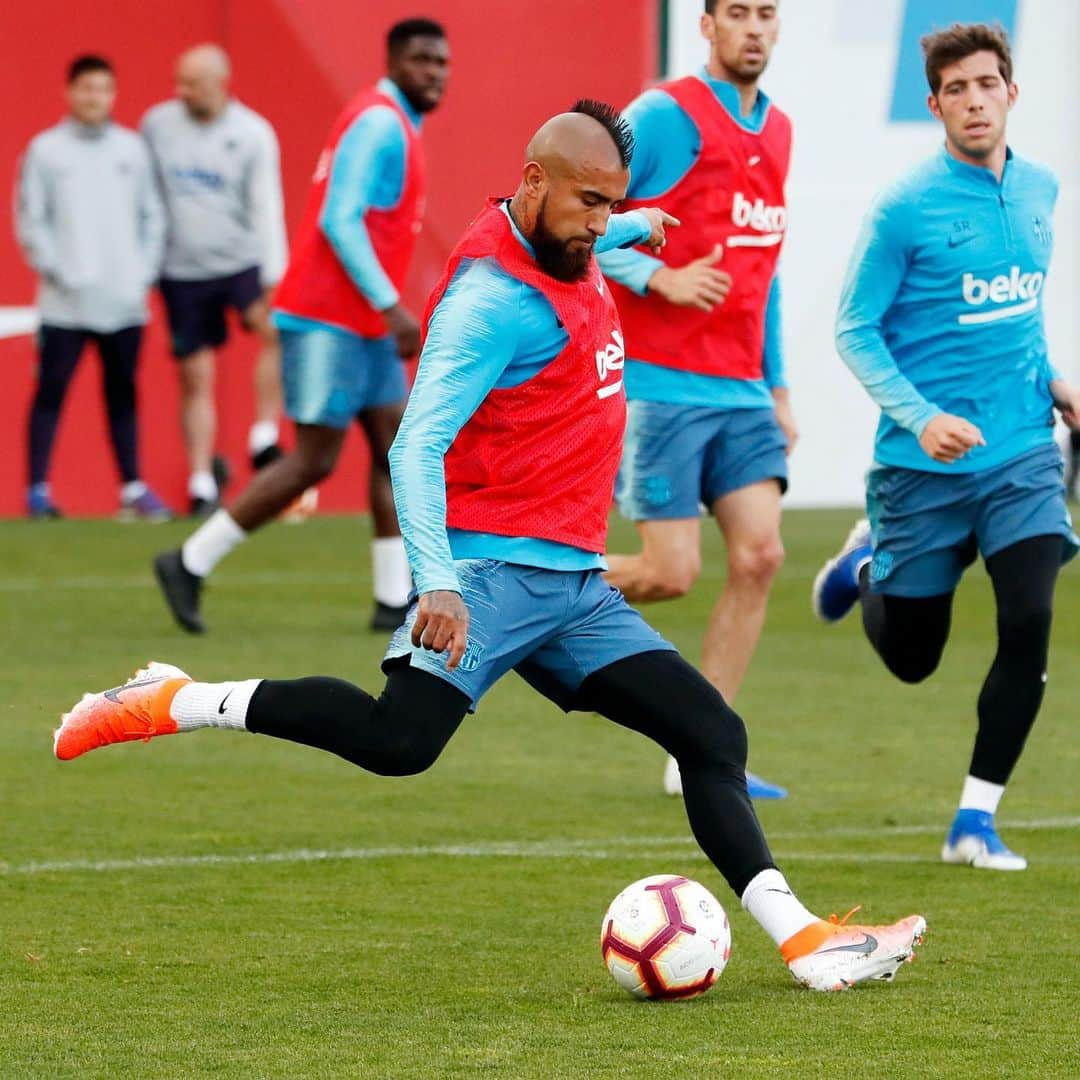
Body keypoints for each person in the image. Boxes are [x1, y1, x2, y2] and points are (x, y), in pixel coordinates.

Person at [56, 102, 925, 992]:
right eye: (589, 203)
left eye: (610, 206)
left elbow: (586, 229)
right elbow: (414, 444)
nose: (598, 225)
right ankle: (173, 700)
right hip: (490, 572)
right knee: (398, 743)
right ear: (534, 180)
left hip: (574, 587)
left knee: (711, 732)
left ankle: (806, 943)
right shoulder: (489, 305)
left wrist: (631, 222)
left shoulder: (566, 238)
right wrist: (437, 580)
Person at [813, 23, 1080, 871]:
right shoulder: (904, 208)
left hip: (1022, 455)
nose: (974, 100)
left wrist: (1054, 381)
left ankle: (975, 820)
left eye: (986, 84)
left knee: (1030, 616)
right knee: (913, 660)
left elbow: (1017, 316)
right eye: (955, 89)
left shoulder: (1041, 188)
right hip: (921, 469)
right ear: (933, 104)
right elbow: (854, 330)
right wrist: (920, 413)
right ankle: (866, 567)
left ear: (1012, 92)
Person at [153, 19, 449, 634]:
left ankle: (394, 599)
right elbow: (340, 220)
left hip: (358, 321)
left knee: (396, 449)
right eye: (421, 60)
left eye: (441, 62)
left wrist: (381, 308)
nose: (434, 73)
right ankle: (188, 560)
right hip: (327, 319)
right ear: (393, 60)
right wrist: (391, 304)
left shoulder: (392, 121)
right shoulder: (378, 124)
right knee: (314, 460)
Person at [597, 0, 794, 800]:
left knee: (761, 555)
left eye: (767, 13)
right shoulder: (665, 116)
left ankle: (698, 755)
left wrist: (778, 384)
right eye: (737, 13)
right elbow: (575, 221)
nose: (754, 28)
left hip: (742, 389)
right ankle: (496, 585)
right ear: (706, 25)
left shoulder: (778, 129)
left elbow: (763, 265)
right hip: (661, 386)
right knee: (668, 572)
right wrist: (657, 275)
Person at [16, 54, 170, 521]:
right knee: (51, 391)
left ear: (113, 94)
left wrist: (139, 274)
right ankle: (38, 491)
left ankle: (132, 488)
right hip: (65, 303)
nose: (93, 98)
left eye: (102, 89)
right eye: (85, 88)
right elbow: (31, 219)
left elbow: (153, 217)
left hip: (124, 302)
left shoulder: (132, 150)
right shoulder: (45, 150)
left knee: (122, 393)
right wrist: (60, 269)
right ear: (69, 92)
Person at [142, 44, 288, 516]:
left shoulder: (251, 134)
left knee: (278, 333)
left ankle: (263, 435)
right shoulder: (157, 126)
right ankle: (203, 482)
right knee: (195, 375)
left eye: (194, 83)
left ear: (221, 83)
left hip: (239, 260)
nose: (182, 91)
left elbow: (266, 204)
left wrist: (274, 273)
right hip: (182, 268)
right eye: (179, 81)